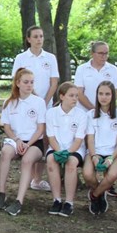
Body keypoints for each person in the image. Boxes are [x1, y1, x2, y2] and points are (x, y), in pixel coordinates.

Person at [0, 68, 47, 216]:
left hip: (34, 142)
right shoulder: (9, 102)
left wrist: (28, 144)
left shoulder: (39, 102)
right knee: (5, 153)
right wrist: (17, 140)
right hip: (15, 140)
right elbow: (7, 127)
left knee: (27, 160)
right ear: (18, 83)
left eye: (31, 82)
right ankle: (1, 193)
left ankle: (19, 200)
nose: (29, 85)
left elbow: (40, 129)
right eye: (26, 82)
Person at [11, 26, 59, 192]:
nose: (39, 39)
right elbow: (16, 80)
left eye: (41, 36)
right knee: (31, 135)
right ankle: (29, 175)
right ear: (28, 39)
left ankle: (37, 179)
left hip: (46, 105)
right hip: (26, 104)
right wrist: (32, 99)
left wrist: (43, 102)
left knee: (44, 138)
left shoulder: (50, 58)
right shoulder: (21, 58)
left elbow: (54, 82)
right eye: (36, 36)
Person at [74, 41, 117, 198]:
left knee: (108, 139)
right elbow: (79, 92)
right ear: (92, 54)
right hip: (87, 113)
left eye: (106, 53)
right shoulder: (82, 69)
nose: (104, 56)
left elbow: (116, 92)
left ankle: (106, 187)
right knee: (90, 145)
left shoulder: (113, 69)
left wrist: (104, 108)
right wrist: (94, 109)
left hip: (108, 112)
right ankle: (95, 185)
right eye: (101, 53)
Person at [82, 81, 117, 215]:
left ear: (113, 96)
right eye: (101, 93)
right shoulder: (90, 115)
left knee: (112, 175)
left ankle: (94, 195)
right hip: (95, 151)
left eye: (107, 94)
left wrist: (111, 158)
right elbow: (90, 139)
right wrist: (94, 156)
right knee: (87, 174)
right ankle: (101, 193)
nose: (104, 97)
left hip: (114, 153)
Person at [44, 82, 88, 217]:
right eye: (71, 95)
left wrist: (68, 153)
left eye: (76, 96)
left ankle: (69, 202)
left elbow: (78, 140)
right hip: (56, 147)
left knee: (71, 163)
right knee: (51, 160)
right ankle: (56, 200)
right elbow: (51, 137)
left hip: (75, 149)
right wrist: (59, 151)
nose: (75, 99)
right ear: (62, 96)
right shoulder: (51, 113)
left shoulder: (81, 115)